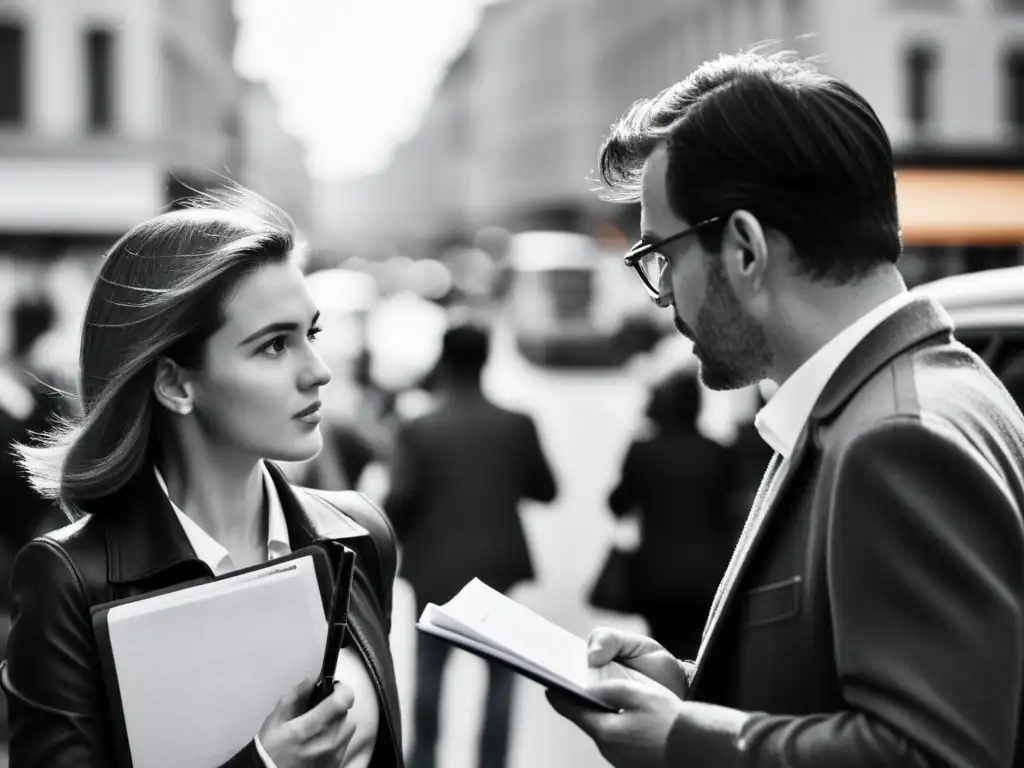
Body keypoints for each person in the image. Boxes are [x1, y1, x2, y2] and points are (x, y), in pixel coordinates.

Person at [546, 50, 1024, 768]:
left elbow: (929, 751)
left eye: (661, 257)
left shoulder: (893, 438)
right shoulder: (916, 395)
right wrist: (692, 686)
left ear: (743, 249)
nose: (665, 294)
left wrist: (683, 741)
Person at [0, 188, 404, 768]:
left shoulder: (360, 533)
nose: (318, 371)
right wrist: (263, 762)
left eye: (310, 335)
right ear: (176, 384)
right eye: (273, 346)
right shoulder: (67, 581)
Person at [383, 323, 558, 768]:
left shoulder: (419, 428)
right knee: (501, 678)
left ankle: (423, 761)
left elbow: (399, 501)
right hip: (499, 564)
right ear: (486, 360)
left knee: (428, 673)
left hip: (435, 564)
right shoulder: (517, 424)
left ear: (444, 360)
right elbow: (546, 489)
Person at [605, 368, 733, 660]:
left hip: (657, 572)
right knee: (700, 650)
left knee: (662, 651)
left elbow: (618, 504)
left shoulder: (643, 451)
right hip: (709, 571)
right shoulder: (718, 453)